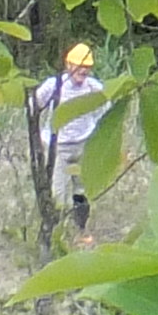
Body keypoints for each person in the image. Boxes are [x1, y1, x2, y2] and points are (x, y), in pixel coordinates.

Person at [29, 42, 108, 235]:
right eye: (80, 66)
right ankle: (59, 233)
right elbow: (33, 106)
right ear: (69, 65)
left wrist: (96, 130)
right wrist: (40, 135)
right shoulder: (54, 85)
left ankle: (80, 230)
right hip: (58, 148)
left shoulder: (94, 88)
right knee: (59, 194)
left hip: (84, 144)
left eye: (87, 67)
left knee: (82, 190)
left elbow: (106, 109)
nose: (84, 71)